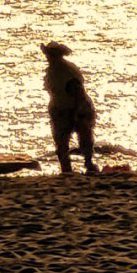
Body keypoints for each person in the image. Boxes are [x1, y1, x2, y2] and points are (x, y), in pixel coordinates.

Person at [41, 42, 98, 174]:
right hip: (62, 108)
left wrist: (76, 112)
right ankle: (68, 169)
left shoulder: (66, 71)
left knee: (81, 137)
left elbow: (78, 93)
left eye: (50, 55)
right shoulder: (53, 70)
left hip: (75, 108)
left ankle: (87, 164)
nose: (48, 58)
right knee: (62, 141)